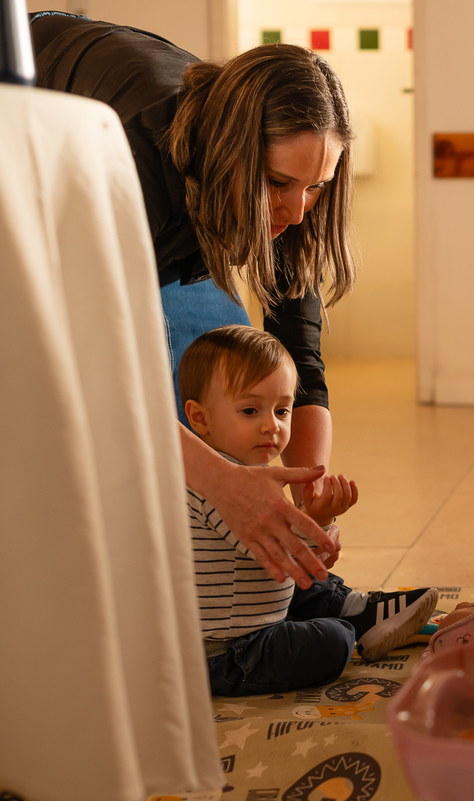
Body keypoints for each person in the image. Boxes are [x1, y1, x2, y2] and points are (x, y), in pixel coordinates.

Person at [30, 11, 356, 590]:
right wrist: (227, 486)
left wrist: (301, 497)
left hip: (151, 179)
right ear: (232, 153)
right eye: (278, 184)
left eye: (317, 187)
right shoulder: (134, 162)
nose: (299, 209)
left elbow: (300, 358)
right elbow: (97, 366)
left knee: (230, 379)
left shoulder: (291, 196)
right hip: (29, 111)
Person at [180, 325, 437, 694]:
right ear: (200, 418)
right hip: (226, 652)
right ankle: (353, 624)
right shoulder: (214, 484)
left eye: (282, 410)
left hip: (257, 611)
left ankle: (353, 607)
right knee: (332, 641)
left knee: (311, 584)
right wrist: (318, 520)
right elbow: (281, 550)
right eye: (250, 410)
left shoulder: (248, 471)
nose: (272, 426)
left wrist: (314, 523)